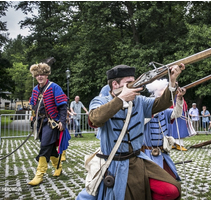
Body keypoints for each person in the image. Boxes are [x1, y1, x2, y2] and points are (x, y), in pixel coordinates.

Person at [77, 64, 185, 200]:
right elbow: (95, 118)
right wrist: (121, 99)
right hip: (113, 163)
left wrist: (173, 80)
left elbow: (161, 104)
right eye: (129, 83)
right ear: (115, 84)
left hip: (137, 160)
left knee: (171, 190)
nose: (134, 86)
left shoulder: (139, 101)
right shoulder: (101, 101)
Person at [29, 61, 68, 186]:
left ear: (47, 75)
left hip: (52, 122)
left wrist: (62, 121)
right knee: (50, 148)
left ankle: (39, 175)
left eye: (42, 74)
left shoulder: (54, 87)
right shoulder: (35, 89)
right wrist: (33, 117)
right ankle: (58, 167)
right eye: (37, 75)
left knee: (45, 146)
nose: (40, 77)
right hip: (40, 122)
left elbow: (63, 106)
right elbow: (34, 105)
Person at [142, 81, 186, 180]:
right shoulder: (144, 111)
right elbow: (142, 121)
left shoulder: (164, 111)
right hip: (147, 152)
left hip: (162, 151)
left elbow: (177, 113)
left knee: (170, 176)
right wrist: (153, 110)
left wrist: (179, 98)